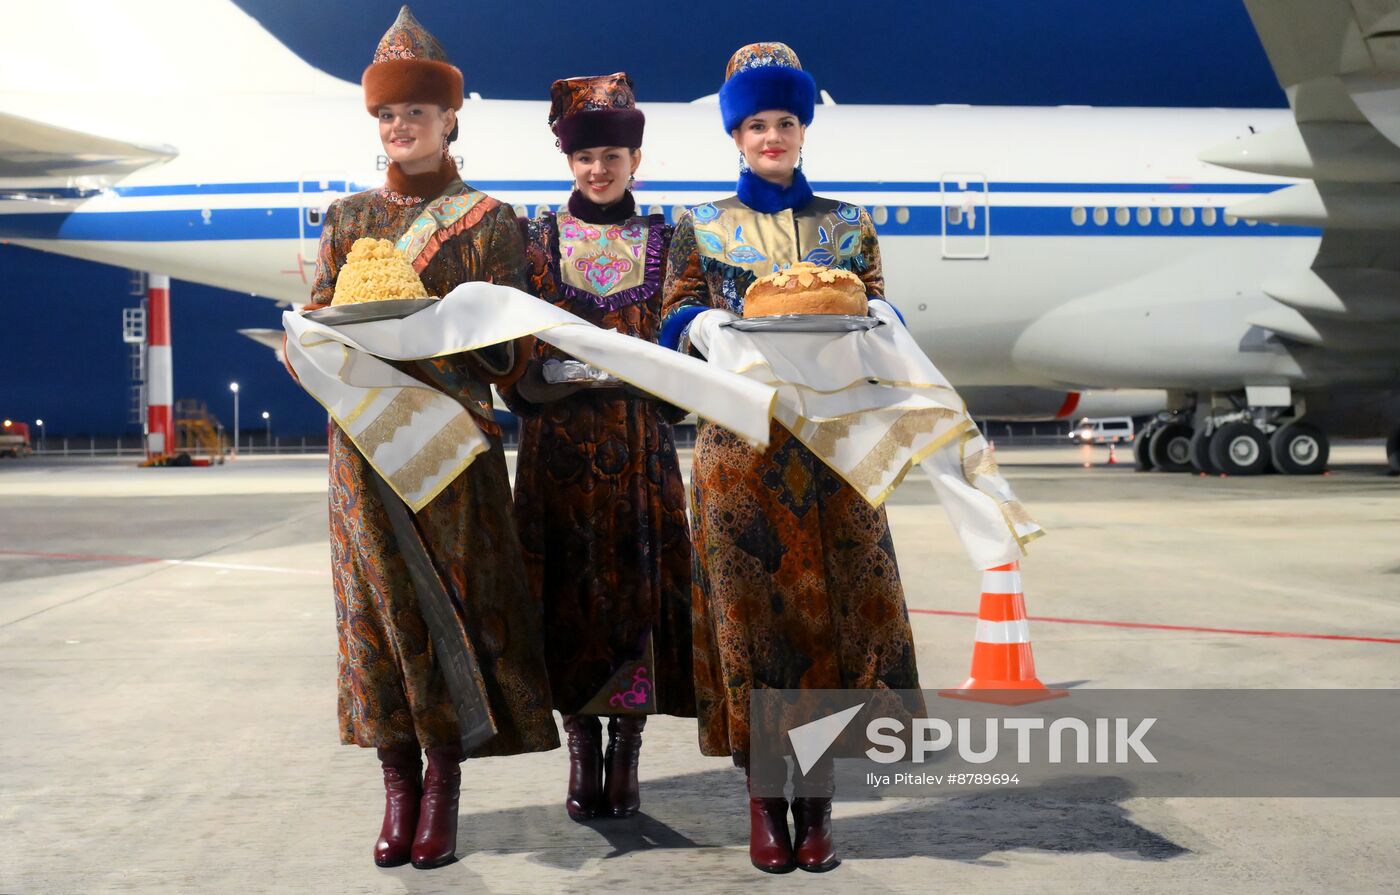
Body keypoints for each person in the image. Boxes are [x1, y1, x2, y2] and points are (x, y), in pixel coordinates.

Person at [300, 6, 557, 870]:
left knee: (458, 606)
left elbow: (511, 351)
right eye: (386, 114)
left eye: (415, 111)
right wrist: (310, 339)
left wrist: (469, 327)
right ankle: (396, 784)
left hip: (452, 452)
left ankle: (444, 785)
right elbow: (320, 329)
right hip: (365, 453)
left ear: (450, 118)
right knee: (376, 618)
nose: (400, 126)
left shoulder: (491, 221)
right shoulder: (345, 221)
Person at [659, 42, 919, 874]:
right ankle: (764, 800)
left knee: (835, 625)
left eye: (785, 122)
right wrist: (703, 327)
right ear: (735, 136)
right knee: (755, 630)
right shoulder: (700, 224)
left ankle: (819, 802)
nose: (771, 136)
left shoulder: (848, 223)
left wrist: (884, 321)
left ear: (803, 129)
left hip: (836, 450)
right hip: (742, 456)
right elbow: (672, 318)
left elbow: (879, 304)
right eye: (756, 124)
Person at [500, 73, 695, 823]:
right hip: (558, 450)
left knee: (635, 597)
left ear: (634, 160)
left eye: (612, 155)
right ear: (569, 161)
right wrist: (540, 374)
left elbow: (683, 338)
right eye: (585, 158)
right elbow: (514, 339)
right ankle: (582, 746)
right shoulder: (536, 237)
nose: (598, 169)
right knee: (567, 597)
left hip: (640, 448)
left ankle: (629, 747)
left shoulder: (667, 237)